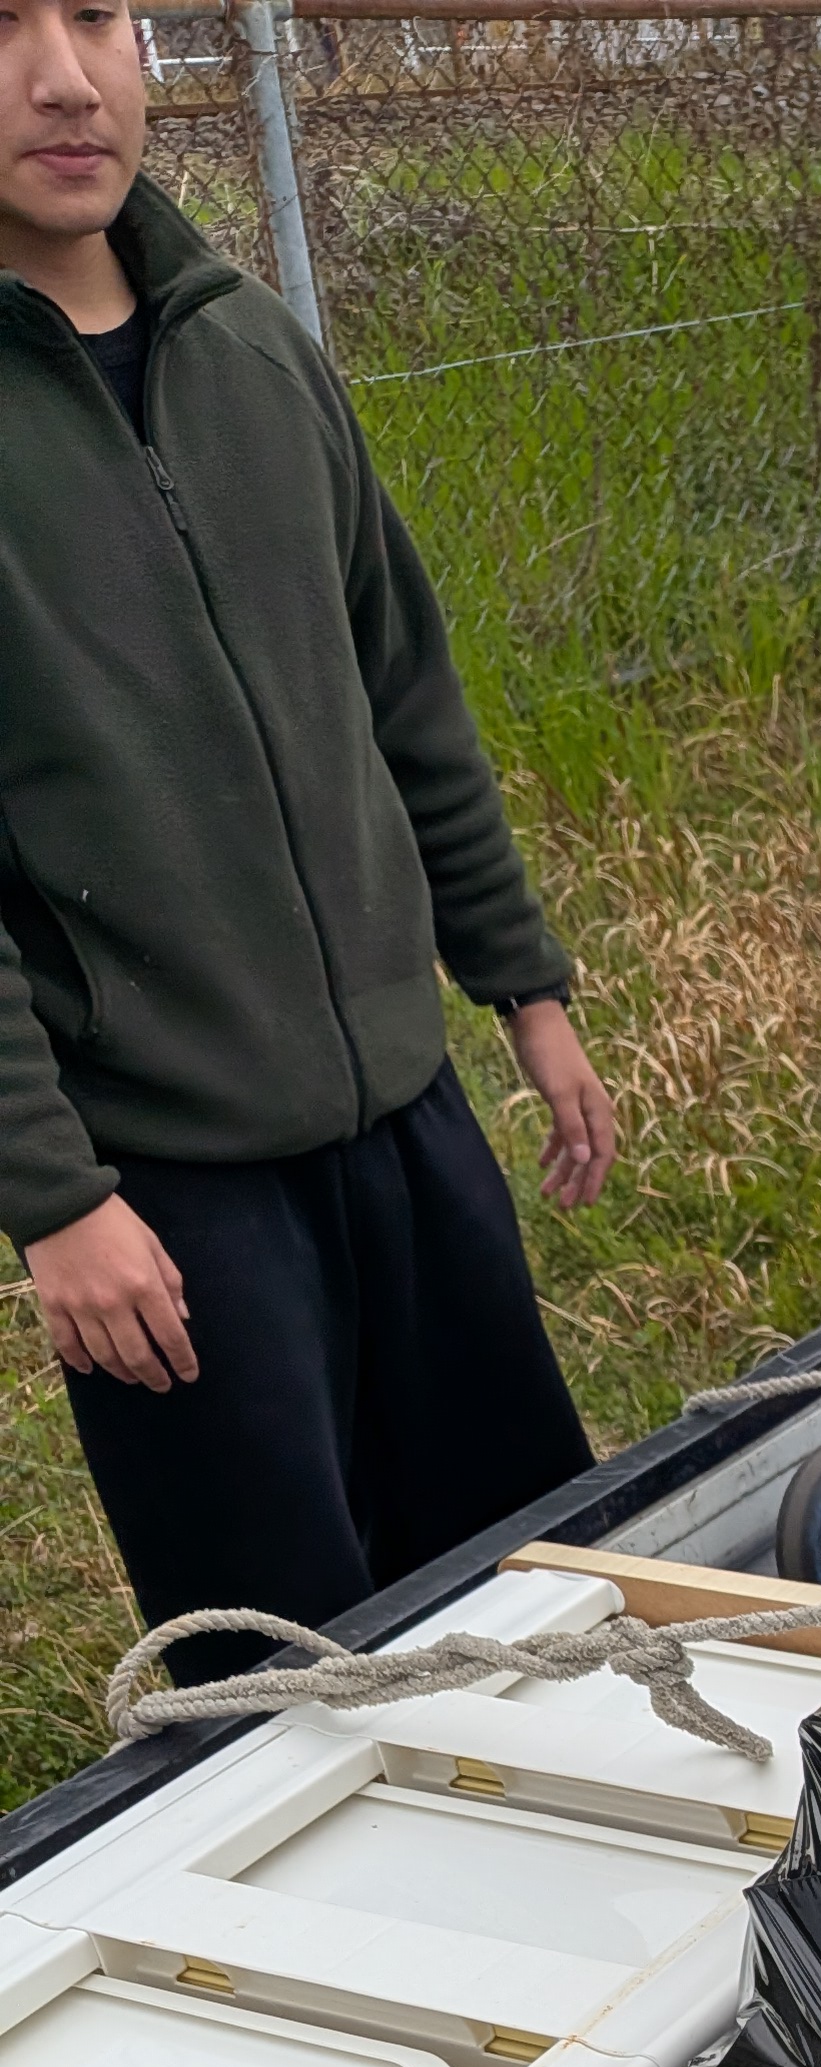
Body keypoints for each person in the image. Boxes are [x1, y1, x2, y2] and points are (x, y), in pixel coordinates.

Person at [0, 0, 617, 1678]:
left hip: (406, 1123)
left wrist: (523, 989)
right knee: (290, 1677)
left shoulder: (256, 351)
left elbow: (405, 693)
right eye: (1, 26)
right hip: (177, 1194)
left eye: (100, 14)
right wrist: (58, 1201)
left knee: (528, 1587)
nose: (66, 75)